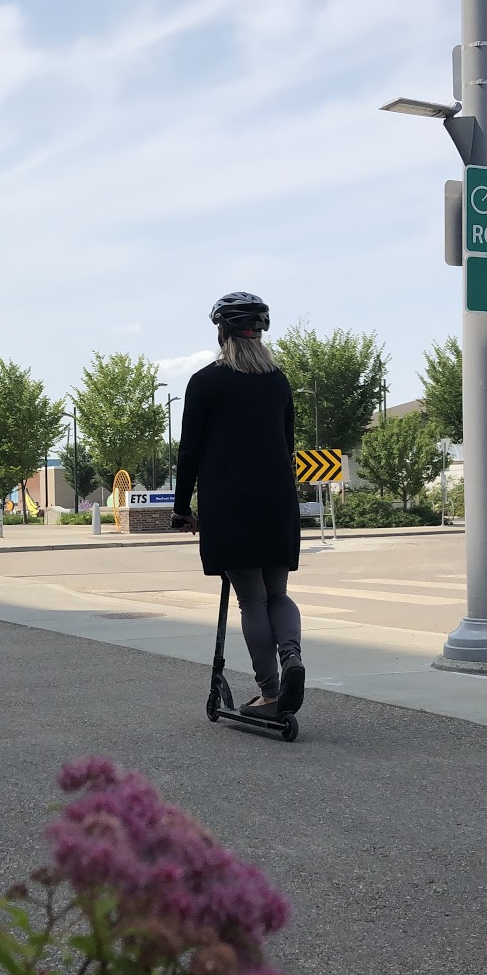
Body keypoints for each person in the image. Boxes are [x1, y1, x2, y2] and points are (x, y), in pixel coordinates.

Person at [172, 292, 304, 718]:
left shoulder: (205, 381)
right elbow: (287, 446)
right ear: (260, 333)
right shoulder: (278, 381)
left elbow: (189, 451)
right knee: (278, 593)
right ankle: (292, 660)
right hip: (277, 502)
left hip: (230, 506)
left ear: (222, 331)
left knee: (252, 600)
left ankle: (269, 693)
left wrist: (181, 509)